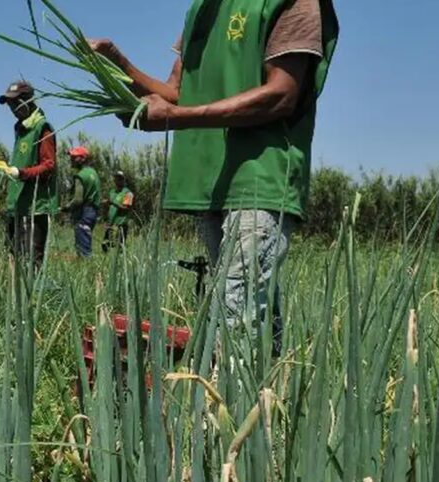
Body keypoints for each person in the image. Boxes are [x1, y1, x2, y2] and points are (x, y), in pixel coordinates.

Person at [90, 0, 338, 354]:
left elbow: (281, 94)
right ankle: (271, 397)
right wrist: (117, 61)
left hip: (258, 180)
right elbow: (176, 93)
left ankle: (227, 407)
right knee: (248, 308)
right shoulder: (202, 10)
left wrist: (178, 116)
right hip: (209, 185)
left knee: (238, 311)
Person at [0, 80, 58, 270]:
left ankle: (32, 298)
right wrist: (0, 166)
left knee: (31, 261)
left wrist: (21, 173)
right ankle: (14, 297)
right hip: (16, 204)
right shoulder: (20, 128)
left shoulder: (42, 127)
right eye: (10, 105)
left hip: (34, 207)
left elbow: (49, 166)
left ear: (28, 100)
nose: (13, 108)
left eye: (15, 103)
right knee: (13, 258)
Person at [64, 146, 100, 258]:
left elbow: (78, 200)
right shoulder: (93, 172)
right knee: (86, 239)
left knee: (83, 248)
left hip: (84, 212)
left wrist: (66, 207)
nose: (71, 159)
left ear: (83, 158)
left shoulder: (79, 176)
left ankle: (88, 270)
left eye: (75, 157)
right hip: (93, 211)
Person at [102, 171, 134, 253]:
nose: (117, 180)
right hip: (111, 223)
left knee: (119, 246)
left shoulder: (128, 193)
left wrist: (112, 202)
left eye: (119, 178)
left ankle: (120, 263)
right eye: (116, 178)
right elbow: (109, 206)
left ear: (123, 180)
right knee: (105, 245)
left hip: (121, 223)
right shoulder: (112, 192)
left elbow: (126, 208)